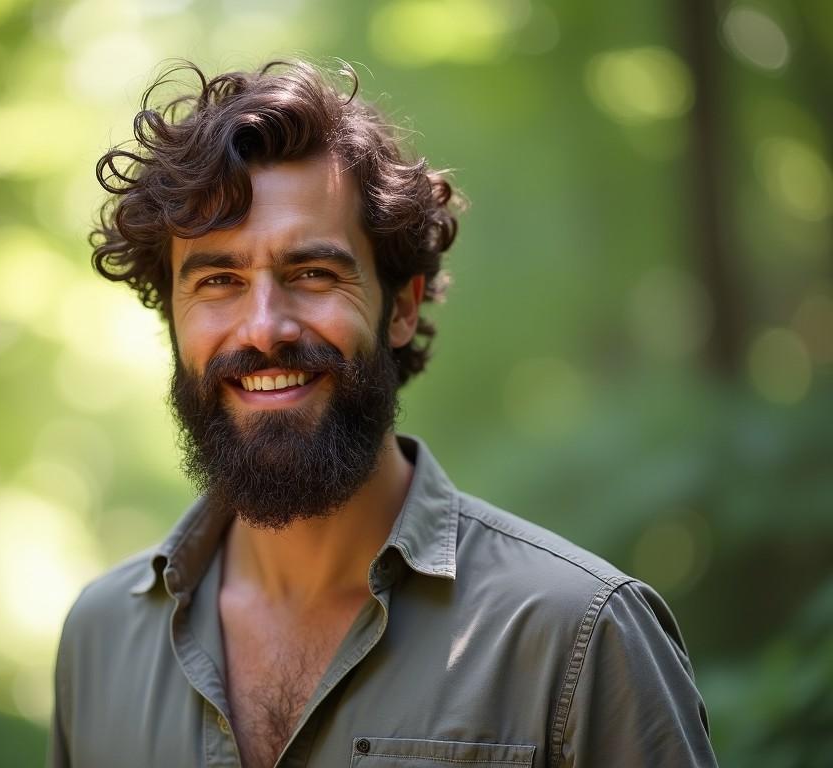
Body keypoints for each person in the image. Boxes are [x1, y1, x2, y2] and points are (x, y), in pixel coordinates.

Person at [47, 59, 717, 768]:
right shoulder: (101, 639)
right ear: (175, 317)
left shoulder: (578, 637)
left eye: (312, 274)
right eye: (219, 280)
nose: (264, 327)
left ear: (400, 306)